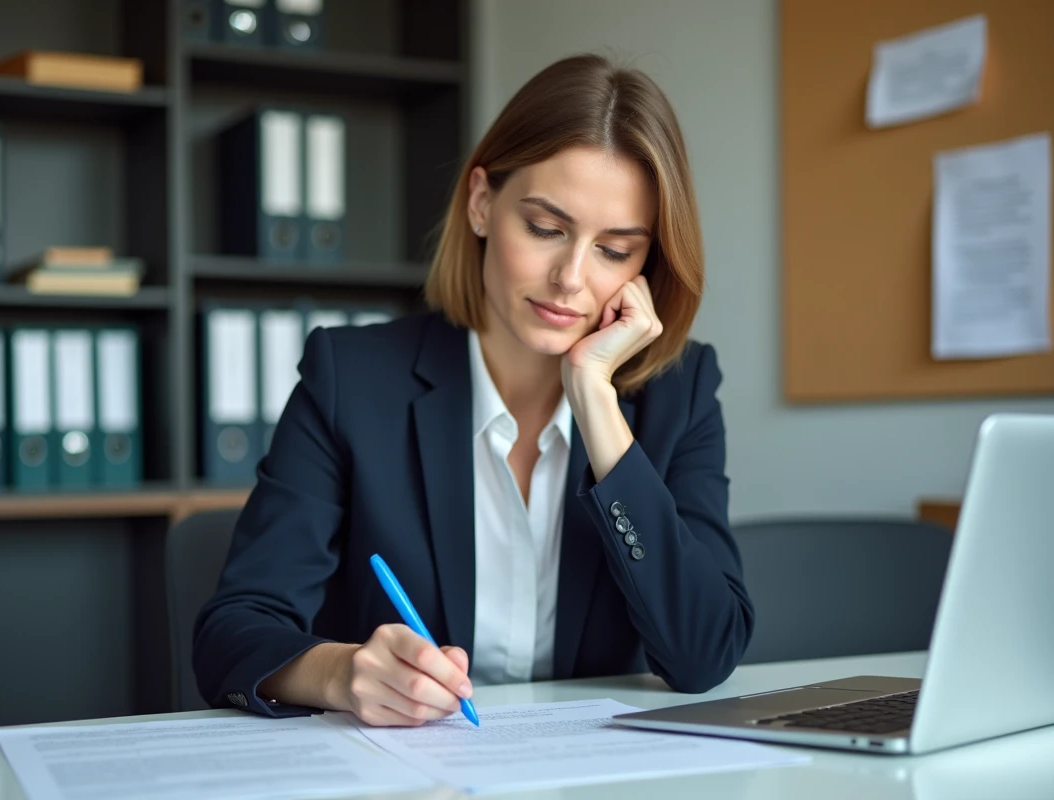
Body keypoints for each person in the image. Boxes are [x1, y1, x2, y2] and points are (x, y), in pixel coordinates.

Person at [193, 53, 754, 727]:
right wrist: (345, 674)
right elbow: (232, 633)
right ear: (483, 203)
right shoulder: (351, 378)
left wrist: (598, 409)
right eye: (545, 228)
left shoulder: (680, 391)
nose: (571, 277)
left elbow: (704, 654)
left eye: (615, 250)